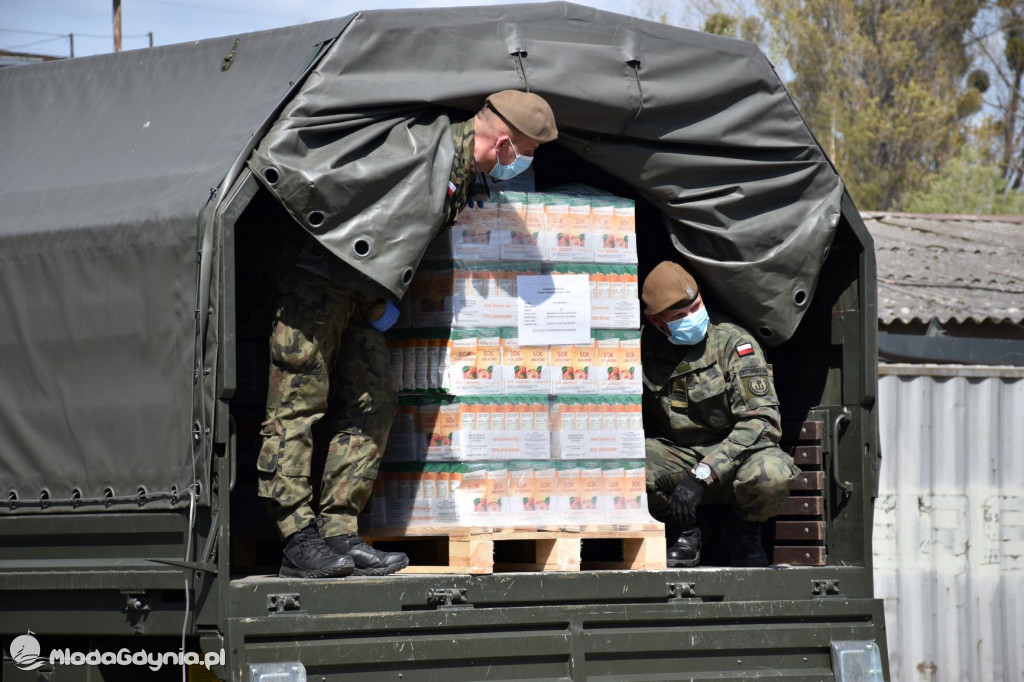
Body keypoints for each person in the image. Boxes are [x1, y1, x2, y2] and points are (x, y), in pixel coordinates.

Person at [257, 91, 558, 578]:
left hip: (359, 293)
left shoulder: (457, 167)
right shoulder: (427, 152)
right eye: (524, 152)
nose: (520, 163)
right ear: (504, 144)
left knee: (374, 396)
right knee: (298, 398)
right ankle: (296, 535)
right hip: (316, 280)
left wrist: (380, 301)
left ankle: (339, 527)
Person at [640, 260, 799, 567]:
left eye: (695, 307)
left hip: (738, 455)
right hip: (680, 454)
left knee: (772, 474)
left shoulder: (733, 342)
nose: (692, 317)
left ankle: (743, 530)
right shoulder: (643, 347)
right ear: (659, 323)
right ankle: (685, 531)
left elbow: (762, 421)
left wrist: (703, 474)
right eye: (679, 315)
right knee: (628, 471)